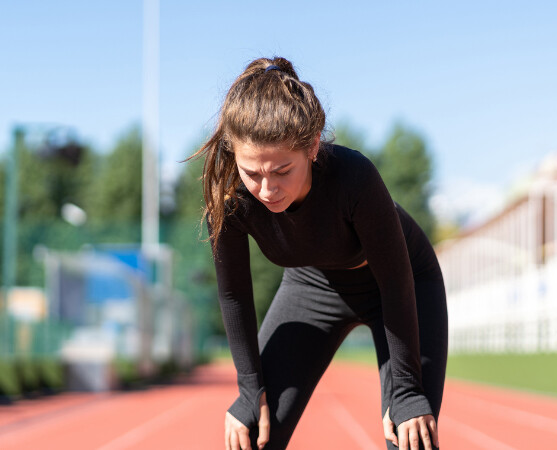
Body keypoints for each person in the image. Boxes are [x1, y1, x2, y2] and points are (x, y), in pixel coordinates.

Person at [189, 57, 448, 450]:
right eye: (252, 172)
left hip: (398, 284)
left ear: (312, 147)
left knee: (410, 435)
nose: (266, 189)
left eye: (281, 171)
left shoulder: (354, 177)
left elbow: (396, 283)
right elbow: (233, 294)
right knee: (254, 434)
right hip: (312, 283)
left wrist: (408, 391)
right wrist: (248, 389)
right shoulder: (228, 196)